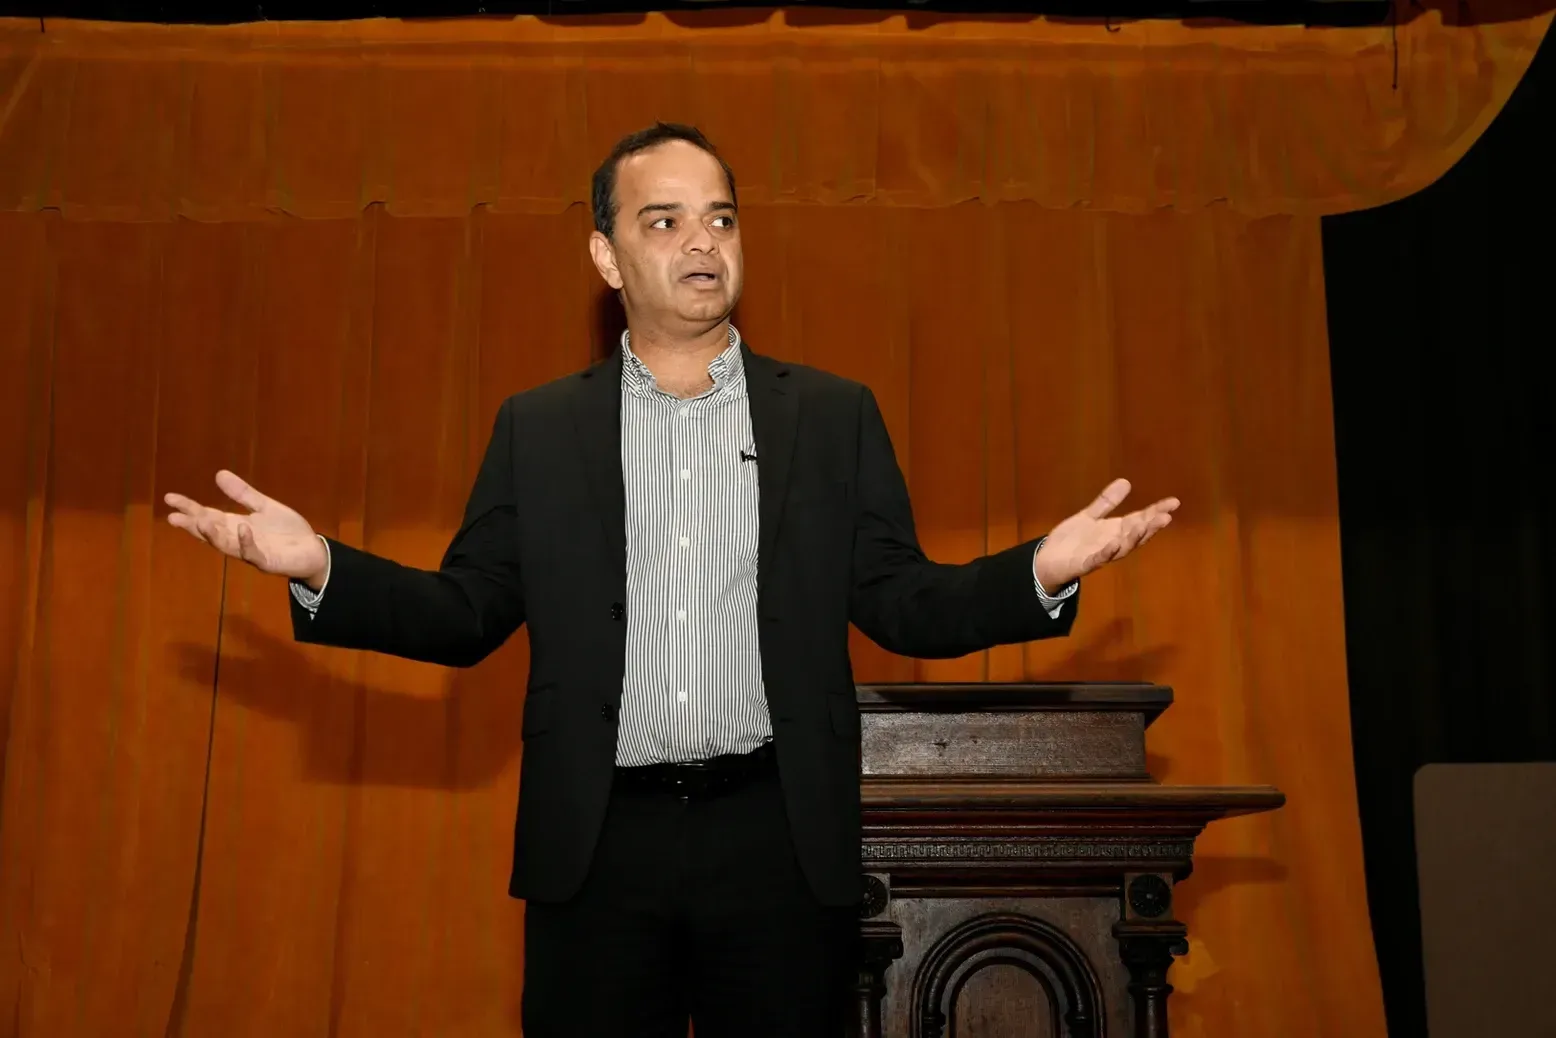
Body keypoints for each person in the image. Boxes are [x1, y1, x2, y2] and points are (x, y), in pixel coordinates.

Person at [164, 122, 1178, 1038]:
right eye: (665, 220)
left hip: (777, 842)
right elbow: (466, 611)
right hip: (597, 848)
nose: (702, 242)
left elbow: (902, 599)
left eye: (720, 218)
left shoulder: (827, 417)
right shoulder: (540, 429)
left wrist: (1036, 572)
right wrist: (322, 568)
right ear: (605, 256)